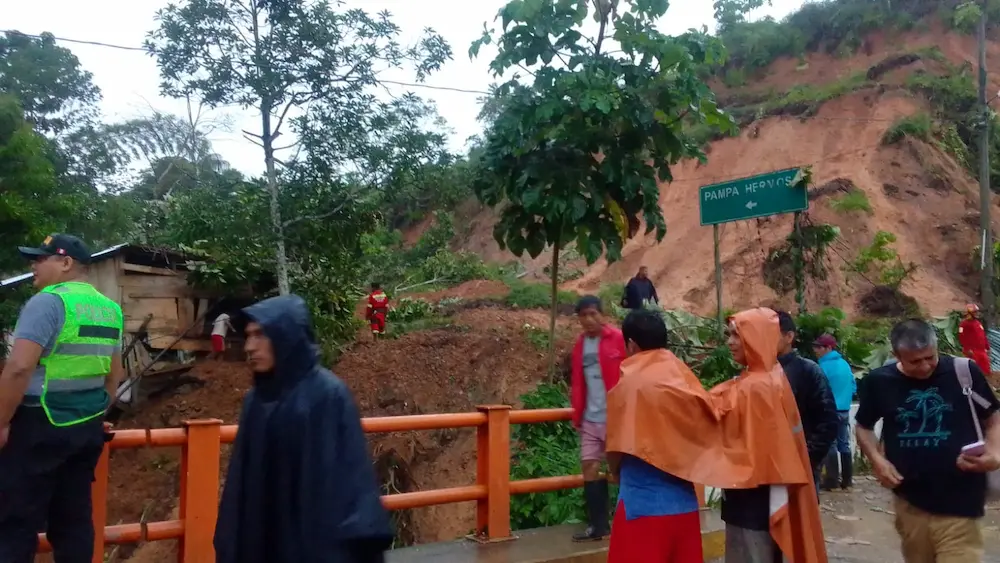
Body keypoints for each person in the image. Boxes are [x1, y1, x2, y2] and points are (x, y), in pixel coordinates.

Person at [214, 294, 392, 563]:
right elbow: (240, 488)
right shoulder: (256, 401)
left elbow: (350, 489)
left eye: (261, 335)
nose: (249, 346)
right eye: (248, 336)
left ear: (286, 336)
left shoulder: (328, 396)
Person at [0, 234, 124, 563]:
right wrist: (97, 414)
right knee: (73, 522)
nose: (33, 265)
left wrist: (0, 423)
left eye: (41, 259)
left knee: (15, 523)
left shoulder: (47, 302)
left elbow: (18, 369)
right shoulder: (110, 309)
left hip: (38, 426)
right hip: (85, 430)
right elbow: (115, 376)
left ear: (65, 263)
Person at [856, 319, 1000, 562]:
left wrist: (995, 453)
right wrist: (877, 460)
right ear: (896, 355)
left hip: (961, 498)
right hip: (910, 500)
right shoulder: (880, 381)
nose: (924, 367)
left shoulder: (963, 372)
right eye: (915, 361)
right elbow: (863, 426)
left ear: (936, 348)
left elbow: (993, 416)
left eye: (930, 357)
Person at [715, 308, 827, 563]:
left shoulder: (755, 386)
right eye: (729, 335)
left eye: (737, 335)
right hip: (767, 495)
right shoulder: (771, 375)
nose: (730, 342)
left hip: (751, 501)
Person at [605, 309, 704, 562]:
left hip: (642, 507)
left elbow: (617, 446)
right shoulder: (686, 377)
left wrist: (614, 470)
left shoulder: (630, 384)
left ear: (631, 344)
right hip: (685, 505)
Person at [569, 295, 626, 541]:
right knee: (589, 467)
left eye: (593, 314)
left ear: (602, 315)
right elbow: (577, 382)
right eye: (584, 315)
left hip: (616, 418)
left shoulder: (619, 339)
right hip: (590, 419)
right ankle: (598, 525)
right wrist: (577, 414)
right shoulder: (580, 345)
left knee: (621, 471)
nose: (589, 319)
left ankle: (627, 523)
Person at [775, 312, 838, 492]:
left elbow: (828, 421)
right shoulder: (757, 371)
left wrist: (806, 458)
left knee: (801, 516)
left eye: (771, 333)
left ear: (789, 336)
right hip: (768, 467)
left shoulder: (808, 371)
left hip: (801, 467)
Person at [813, 333, 857, 492]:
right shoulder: (844, 364)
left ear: (828, 348)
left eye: (819, 347)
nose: (815, 350)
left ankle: (831, 481)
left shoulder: (822, 367)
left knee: (830, 445)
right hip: (844, 410)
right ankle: (847, 480)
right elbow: (853, 386)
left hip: (830, 410)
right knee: (844, 444)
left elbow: (819, 390)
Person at [959, 304, 992, 376]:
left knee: (986, 371)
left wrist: (988, 348)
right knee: (974, 372)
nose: (977, 314)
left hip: (982, 351)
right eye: (975, 312)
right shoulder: (964, 324)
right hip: (973, 352)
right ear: (970, 313)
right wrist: (967, 349)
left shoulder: (978, 323)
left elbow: (983, 336)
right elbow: (962, 338)